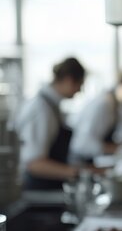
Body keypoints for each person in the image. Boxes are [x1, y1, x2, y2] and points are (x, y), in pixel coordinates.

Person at [15, 57, 85, 190]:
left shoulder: (51, 106)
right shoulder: (41, 109)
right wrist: (78, 173)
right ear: (69, 80)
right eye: (80, 85)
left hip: (48, 186)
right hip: (37, 191)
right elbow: (34, 164)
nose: (79, 91)